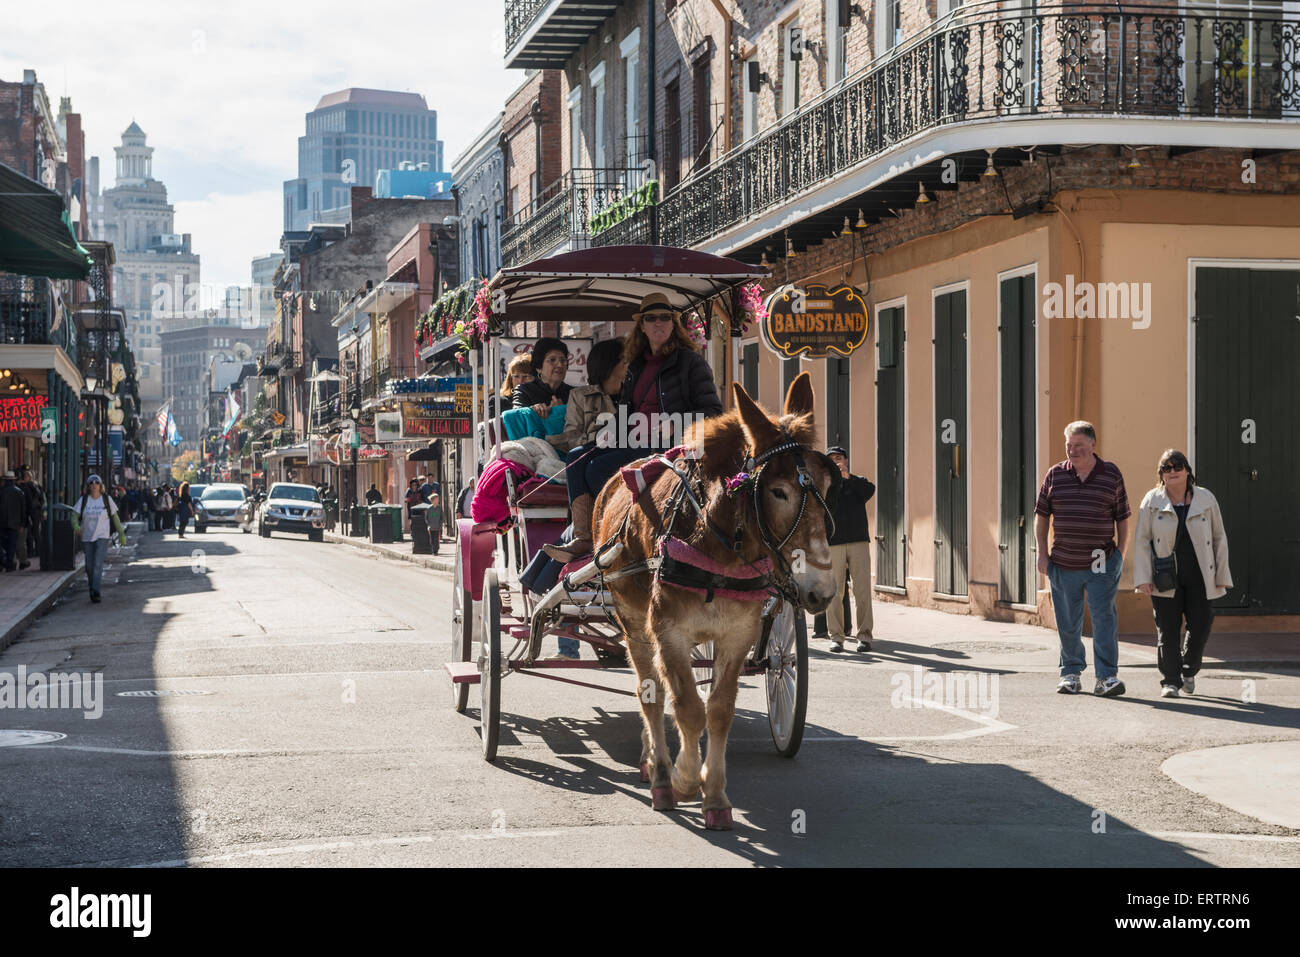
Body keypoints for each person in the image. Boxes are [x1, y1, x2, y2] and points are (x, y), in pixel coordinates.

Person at [1035, 421, 1131, 698]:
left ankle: (1107, 677)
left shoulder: (1110, 474)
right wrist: (1042, 553)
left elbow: (1123, 518)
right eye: (1069, 445)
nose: (1072, 450)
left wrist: (1120, 555)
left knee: (1104, 619)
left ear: (1092, 445)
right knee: (1067, 621)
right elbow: (1041, 517)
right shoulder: (1055, 475)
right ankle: (1070, 674)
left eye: (1078, 445)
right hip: (1064, 562)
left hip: (1102, 562)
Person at [1132, 450, 1232, 698]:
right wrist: (1143, 577)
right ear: (1161, 474)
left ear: (1187, 470)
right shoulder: (1152, 500)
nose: (1173, 471)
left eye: (1178, 466)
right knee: (1167, 628)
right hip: (1164, 575)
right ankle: (1170, 680)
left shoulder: (1205, 498)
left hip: (1201, 574)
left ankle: (1189, 669)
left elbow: (1219, 538)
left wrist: (1222, 574)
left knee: (1200, 626)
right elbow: (1142, 541)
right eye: (1167, 467)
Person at [542, 336, 628, 564]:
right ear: (610, 364)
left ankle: (596, 532)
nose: (628, 365)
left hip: (624, 453)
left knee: (588, 462)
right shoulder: (580, 396)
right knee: (578, 455)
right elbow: (572, 436)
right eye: (624, 360)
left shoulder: (633, 395)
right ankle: (583, 535)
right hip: (595, 451)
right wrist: (598, 438)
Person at [823, 446, 875, 654]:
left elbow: (869, 491)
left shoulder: (857, 483)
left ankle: (865, 636)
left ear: (846, 460)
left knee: (862, 591)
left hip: (858, 542)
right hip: (833, 543)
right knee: (834, 593)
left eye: (839, 458)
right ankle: (836, 637)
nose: (836, 462)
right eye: (832, 459)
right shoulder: (824, 485)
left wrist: (848, 477)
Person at [71, 474, 126, 603]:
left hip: (102, 536)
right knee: (89, 566)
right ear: (88, 486)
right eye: (91, 483)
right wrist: (76, 525)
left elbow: (115, 517)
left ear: (101, 486)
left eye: (97, 483)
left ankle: (96, 591)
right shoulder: (84, 500)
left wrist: (121, 533)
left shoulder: (106, 499)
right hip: (87, 537)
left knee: (97, 563)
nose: (94, 485)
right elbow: (74, 515)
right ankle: (91, 587)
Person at [512, 336, 572, 415]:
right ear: (539, 367)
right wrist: (533, 411)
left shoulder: (574, 394)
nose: (560, 365)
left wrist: (562, 411)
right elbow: (519, 418)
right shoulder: (524, 391)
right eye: (552, 360)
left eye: (563, 360)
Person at [0, 472, 26, 571]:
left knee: (3, 544)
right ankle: (9, 564)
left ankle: (3, 559)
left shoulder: (1, 491)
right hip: (15, 523)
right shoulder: (19, 492)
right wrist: (22, 523)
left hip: (2, 522)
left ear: (5, 480)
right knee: (12, 545)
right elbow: (23, 509)